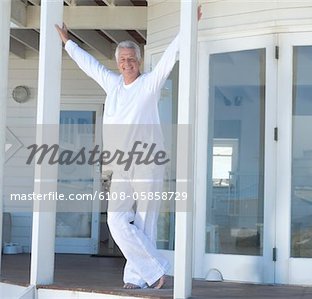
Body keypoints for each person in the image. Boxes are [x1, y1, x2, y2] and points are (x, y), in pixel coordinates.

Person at [55, 6, 202, 290]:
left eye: (131, 59)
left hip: (148, 162)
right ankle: (155, 269)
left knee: (145, 221)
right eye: (122, 59)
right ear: (118, 62)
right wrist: (68, 42)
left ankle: (137, 277)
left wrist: (188, 28)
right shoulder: (113, 85)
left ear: (139, 60)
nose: (127, 63)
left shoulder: (149, 85)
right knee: (117, 220)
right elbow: (90, 65)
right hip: (120, 165)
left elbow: (171, 56)